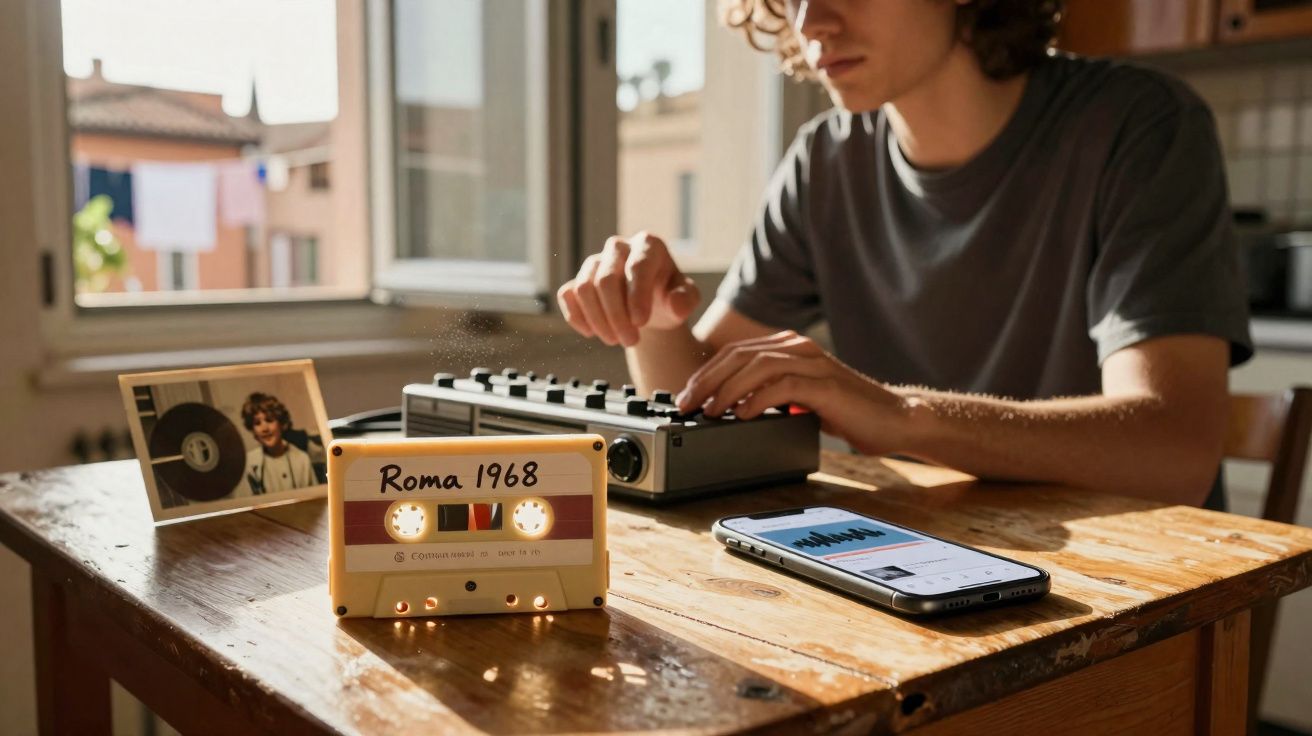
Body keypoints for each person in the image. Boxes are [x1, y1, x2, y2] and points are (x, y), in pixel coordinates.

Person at [556, 0, 1252, 508]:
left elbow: (1174, 450)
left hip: (1138, 589)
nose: (811, 22)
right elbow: (699, 401)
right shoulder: (826, 162)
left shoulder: (1139, 125)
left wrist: (900, 415)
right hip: (935, 562)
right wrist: (654, 320)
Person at [241, 392, 315, 494]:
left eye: (269, 420)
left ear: (281, 423)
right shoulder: (249, 463)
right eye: (257, 423)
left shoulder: (302, 459)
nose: (264, 428)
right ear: (253, 430)